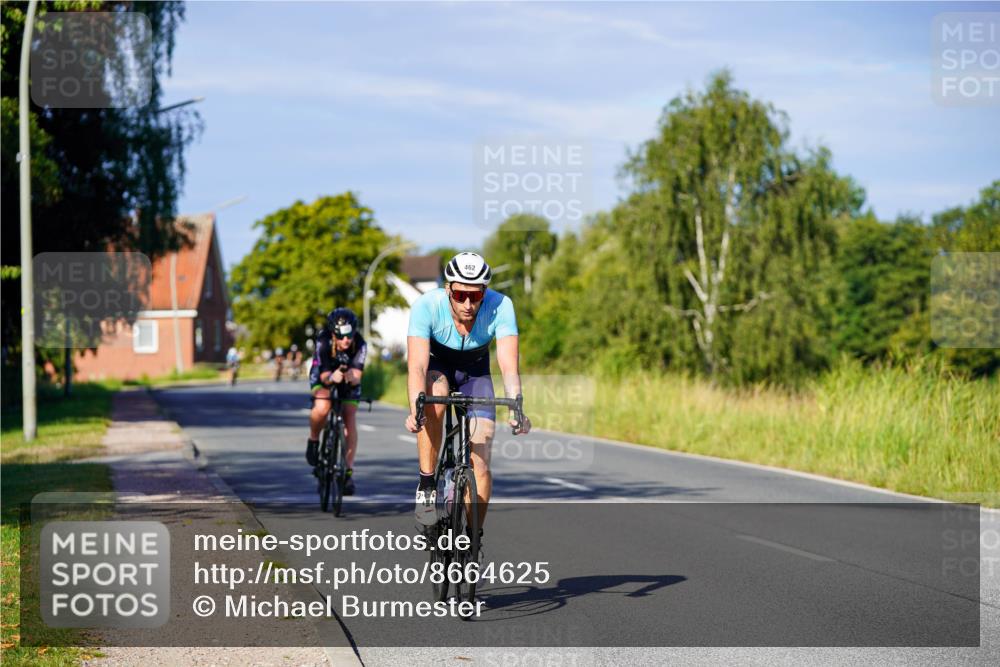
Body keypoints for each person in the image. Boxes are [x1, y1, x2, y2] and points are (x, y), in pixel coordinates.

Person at [404, 252, 531, 528]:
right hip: (438, 366)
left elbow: (509, 366)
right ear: (448, 288)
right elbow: (416, 366)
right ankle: (427, 486)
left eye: (475, 296)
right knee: (432, 399)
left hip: (475, 371)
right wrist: (416, 406)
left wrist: (517, 405)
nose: (468, 303)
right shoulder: (426, 305)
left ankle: (473, 544)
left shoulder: (501, 306)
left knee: (482, 464)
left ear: (485, 291)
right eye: (460, 294)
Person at [306, 308, 367, 495]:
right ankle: (314, 439)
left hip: (347, 379)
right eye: (340, 337)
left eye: (349, 335)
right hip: (324, 375)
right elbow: (324, 375)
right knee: (323, 405)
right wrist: (333, 377)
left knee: (349, 416)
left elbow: (357, 374)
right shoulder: (323, 341)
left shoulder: (360, 343)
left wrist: (351, 376)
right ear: (333, 334)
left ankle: (347, 472)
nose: (346, 340)